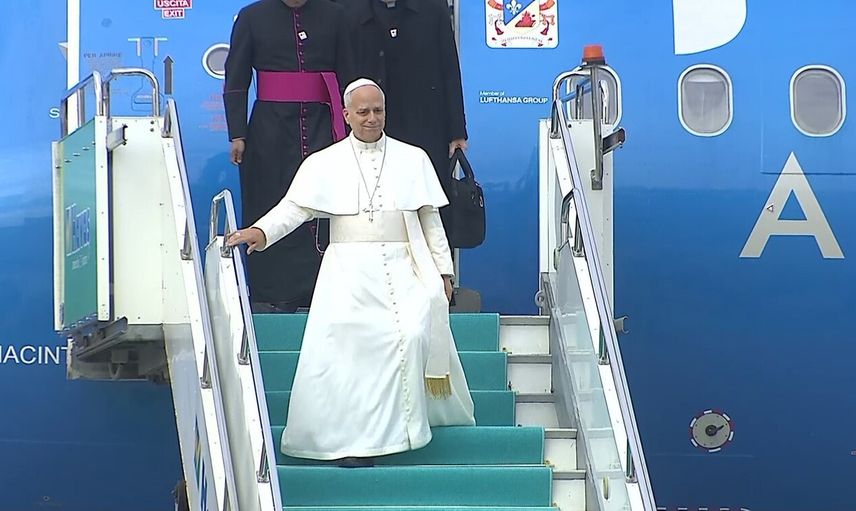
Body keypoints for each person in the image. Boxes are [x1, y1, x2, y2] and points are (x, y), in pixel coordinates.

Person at [226, 78, 475, 467]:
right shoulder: (324, 163)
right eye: (363, 112)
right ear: (346, 115)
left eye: (378, 110)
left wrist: (444, 271)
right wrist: (261, 231)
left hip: (405, 265)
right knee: (348, 350)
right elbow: (295, 208)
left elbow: (430, 219)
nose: (371, 118)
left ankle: (404, 431)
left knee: (411, 335)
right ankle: (353, 441)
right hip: (348, 272)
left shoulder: (413, 159)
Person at [223, 0, 355, 313]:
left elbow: (350, 71)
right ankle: (274, 292)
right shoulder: (252, 17)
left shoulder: (335, 15)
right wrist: (237, 134)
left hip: (324, 124)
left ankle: (324, 287)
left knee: (326, 201)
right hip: (270, 129)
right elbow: (236, 79)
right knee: (272, 198)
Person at [337, 0, 468, 244]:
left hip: (426, 122)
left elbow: (450, 70)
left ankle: (435, 263)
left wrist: (457, 131)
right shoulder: (350, 14)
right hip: (374, 126)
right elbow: (345, 76)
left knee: (428, 200)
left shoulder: (433, 10)